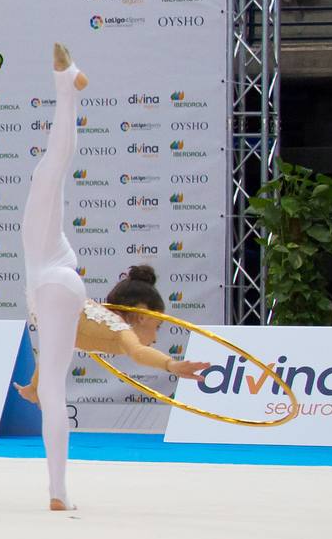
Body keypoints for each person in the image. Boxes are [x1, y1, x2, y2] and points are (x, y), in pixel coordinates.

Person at [15, 44, 213, 511]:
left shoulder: (115, 327)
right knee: (53, 389)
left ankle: (67, 86)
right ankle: (57, 492)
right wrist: (35, 382)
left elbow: (137, 349)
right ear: (141, 310)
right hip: (52, 279)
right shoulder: (113, 326)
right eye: (158, 323)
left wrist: (171, 366)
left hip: (50, 275)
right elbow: (95, 347)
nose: (157, 330)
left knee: (53, 169)